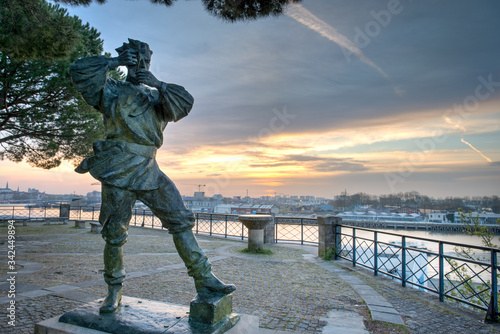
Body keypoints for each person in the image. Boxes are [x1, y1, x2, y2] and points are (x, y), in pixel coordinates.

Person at [70, 38, 235, 313]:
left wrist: (157, 82)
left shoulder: (159, 97)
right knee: (114, 233)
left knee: (180, 220)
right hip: (118, 168)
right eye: (133, 59)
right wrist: (114, 64)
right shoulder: (109, 91)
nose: (139, 65)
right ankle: (114, 290)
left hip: (149, 168)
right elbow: (79, 71)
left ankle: (205, 279)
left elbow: (185, 102)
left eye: (143, 60)